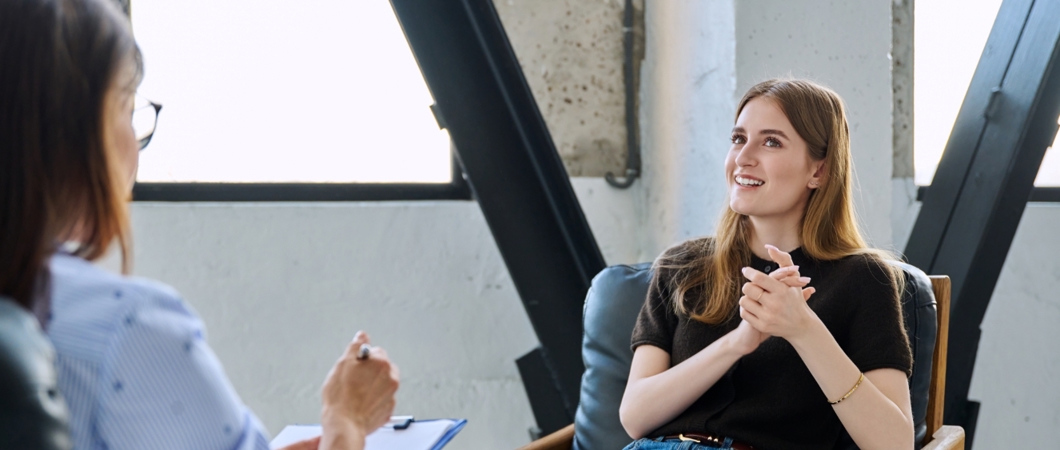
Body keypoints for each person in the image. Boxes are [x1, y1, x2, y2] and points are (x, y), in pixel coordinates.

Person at [0, 0, 399, 449]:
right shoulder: (127, 328)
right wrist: (346, 418)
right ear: (73, 133)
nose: (134, 142)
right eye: (127, 108)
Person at [619, 79, 914, 449]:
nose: (743, 157)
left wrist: (804, 329)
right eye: (739, 138)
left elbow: (894, 443)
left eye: (771, 141)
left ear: (818, 172)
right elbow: (635, 417)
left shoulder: (864, 279)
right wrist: (739, 343)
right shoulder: (681, 266)